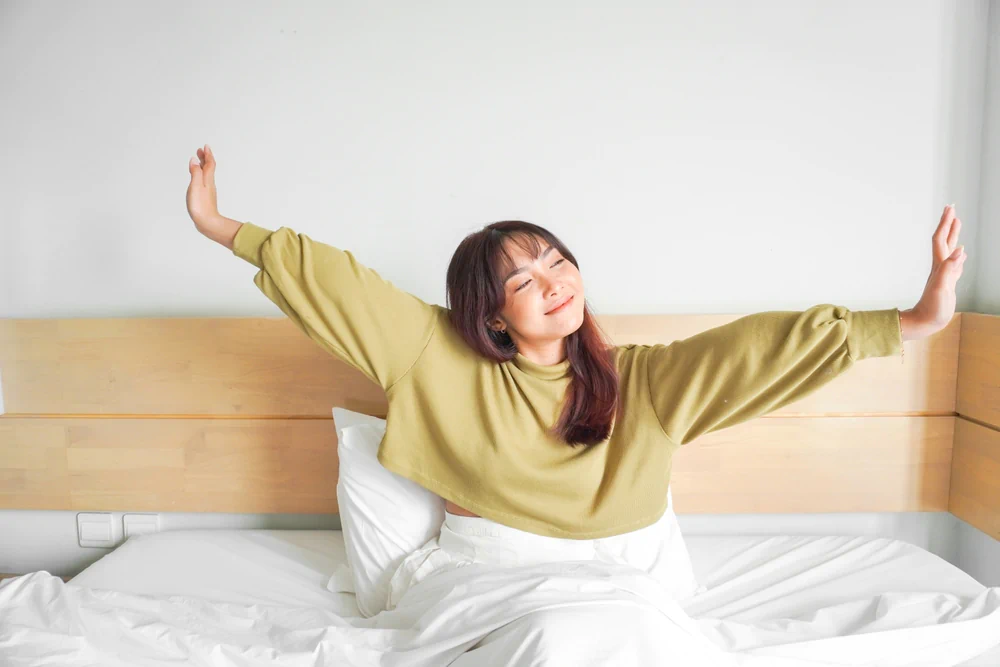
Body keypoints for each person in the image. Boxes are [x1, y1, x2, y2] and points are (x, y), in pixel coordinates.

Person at [186, 143, 966, 529]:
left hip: (618, 578)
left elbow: (760, 348)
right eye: (524, 280)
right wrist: (224, 226)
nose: (556, 282)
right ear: (491, 314)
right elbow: (335, 280)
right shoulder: (434, 357)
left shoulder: (642, 383)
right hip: (490, 576)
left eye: (558, 260)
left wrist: (911, 319)